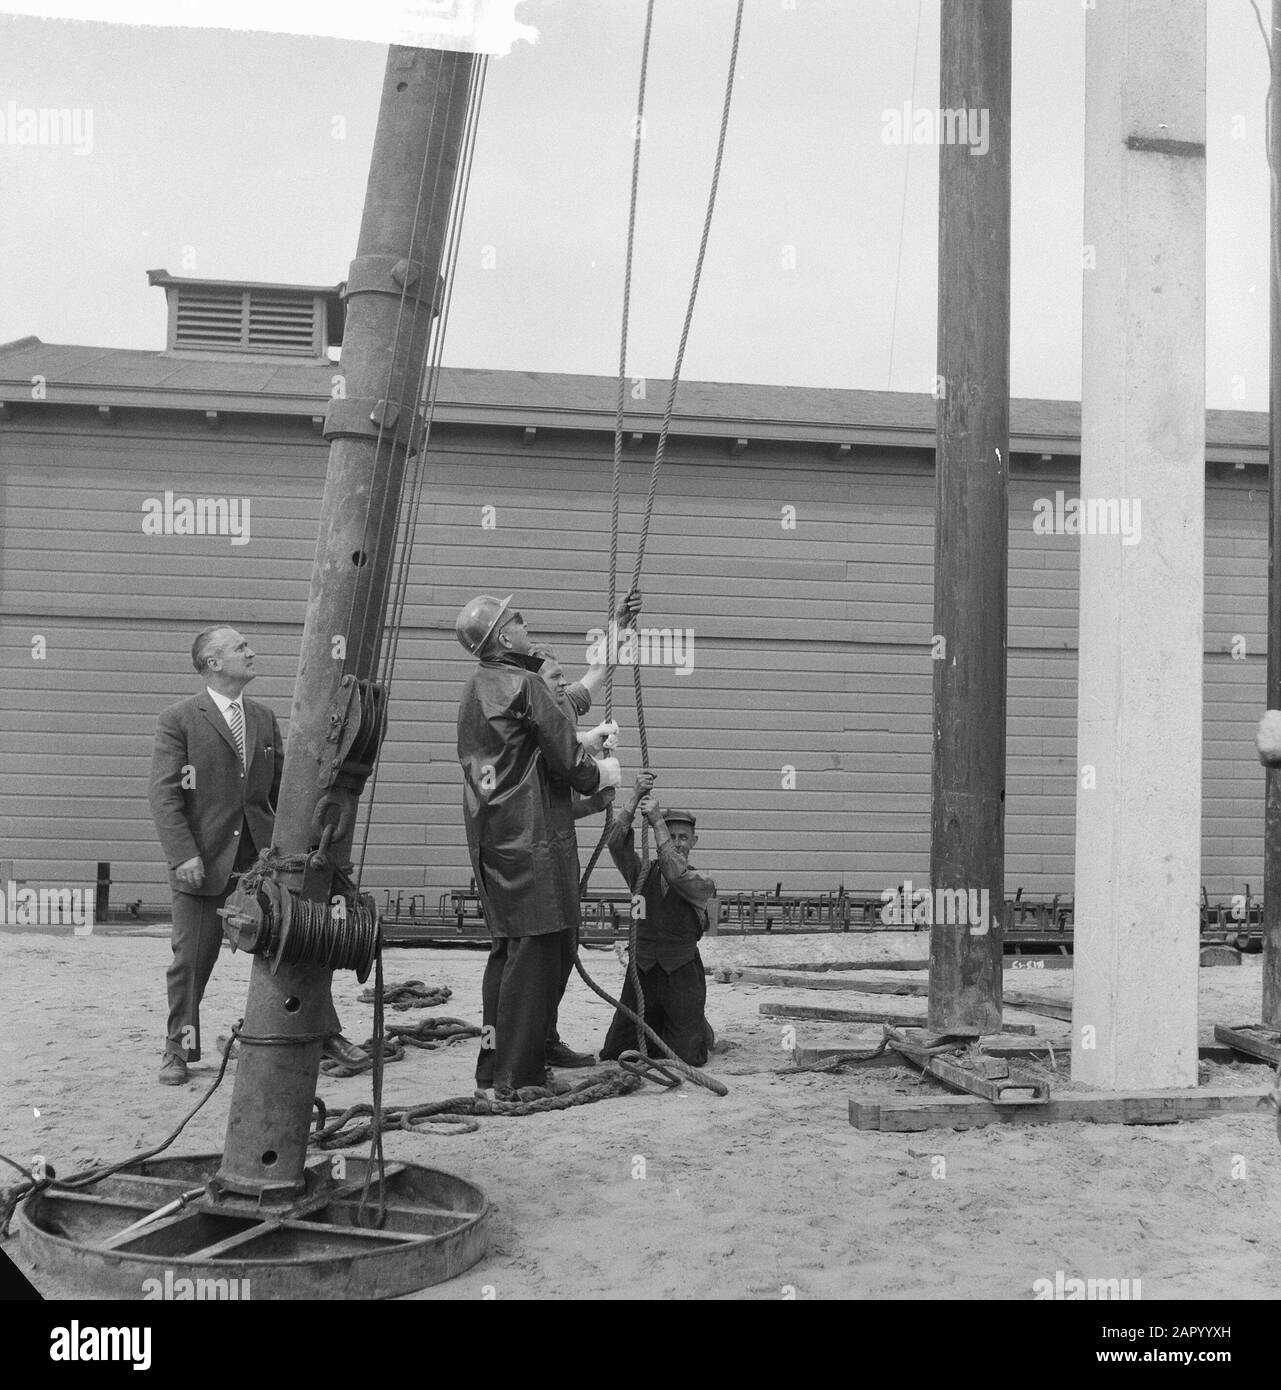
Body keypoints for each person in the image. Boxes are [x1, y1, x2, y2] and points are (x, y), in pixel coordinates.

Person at [148, 625, 367, 1085]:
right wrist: (183, 855)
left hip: (264, 861)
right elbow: (165, 796)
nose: (251, 652)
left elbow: (283, 790)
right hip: (204, 863)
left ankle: (321, 1032)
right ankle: (178, 1049)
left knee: (300, 941)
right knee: (192, 959)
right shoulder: (180, 719)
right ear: (212, 663)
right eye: (240, 648)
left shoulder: (264, 718)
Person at [455, 594, 622, 1099]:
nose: (525, 625)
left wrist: (612, 639)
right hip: (533, 843)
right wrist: (599, 771)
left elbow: (532, 744)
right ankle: (519, 1077)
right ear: (504, 638)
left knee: (509, 953)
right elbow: (567, 760)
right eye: (516, 621)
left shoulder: (481, 686)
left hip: (498, 840)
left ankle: (493, 1066)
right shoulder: (525, 684)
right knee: (540, 954)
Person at [600, 776, 717, 1067]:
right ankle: (670, 1024)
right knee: (615, 1052)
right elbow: (615, 844)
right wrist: (633, 798)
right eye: (672, 836)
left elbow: (675, 872)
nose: (677, 843)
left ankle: (698, 1026)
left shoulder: (701, 883)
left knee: (688, 1057)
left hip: (681, 974)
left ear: (694, 842)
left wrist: (658, 823)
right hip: (643, 972)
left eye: (683, 838)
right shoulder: (641, 873)